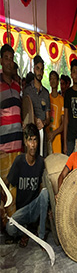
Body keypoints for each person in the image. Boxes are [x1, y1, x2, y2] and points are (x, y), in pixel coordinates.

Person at [2, 124, 48, 246]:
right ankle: (26, 232)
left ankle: (41, 237)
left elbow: (43, 189)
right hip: (22, 211)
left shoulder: (41, 162)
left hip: (34, 208)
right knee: (10, 228)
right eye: (29, 140)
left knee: (45, 193)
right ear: (25, 142)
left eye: (35, 140)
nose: (32, 145)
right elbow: (6, 184)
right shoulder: (19, 161)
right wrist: (2, 202)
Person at [0, 44, 23, 210]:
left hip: (17, 147)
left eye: (11, 58)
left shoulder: (17, 86)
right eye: (6, 58)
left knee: (14, 192)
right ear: (1, 61)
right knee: (2, 193)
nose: (9, 62)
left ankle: (12, 230)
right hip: (3, 148)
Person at [23, 55, 50, 156]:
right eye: (37, 69)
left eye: (42, 69)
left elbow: (48, 118)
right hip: (30, 135)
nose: (40, 72)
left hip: (43, 135)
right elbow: (26, 112)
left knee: (42, 162)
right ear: (34, 69)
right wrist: (35, 120)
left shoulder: (46, 93)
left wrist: (43, 123)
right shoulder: (27, 91)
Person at [63, 59, 77, 155]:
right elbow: (66, 118)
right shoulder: (68, 93)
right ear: (71, 74)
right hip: (70, 136)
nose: (75, 75)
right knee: (69, 164)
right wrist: (65, 143)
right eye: (73, 72)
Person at [48, 71, 64, 154]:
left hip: (57, 138)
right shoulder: (47, 97)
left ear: (58, 82)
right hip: (47, 138)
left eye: (55, 78)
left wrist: (54, 133)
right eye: (51, 79)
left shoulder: (61, 99)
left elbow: (63, 124)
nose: (53, 81)